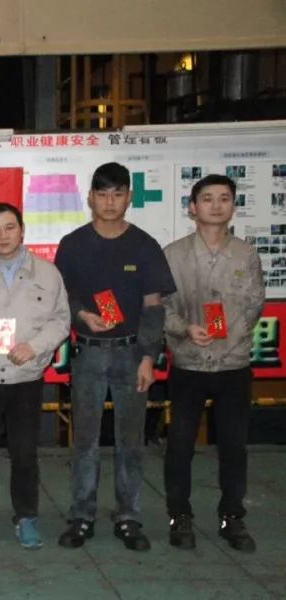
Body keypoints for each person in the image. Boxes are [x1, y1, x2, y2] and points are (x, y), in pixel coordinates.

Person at [54, 162, 176, 551]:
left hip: (131, 353)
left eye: (118, 194)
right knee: (85, 441)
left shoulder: (143, 245)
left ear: (129, 198)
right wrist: (81, 315)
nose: (110, 201)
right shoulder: (73, 244)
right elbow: (62, 296)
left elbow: (154, 307)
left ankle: (128, 518)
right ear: (90, 198)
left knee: (131, 441)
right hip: (89, 353)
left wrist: (148, 357)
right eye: (103, 194)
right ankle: (81, 516)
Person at [0, 203, 70, 549]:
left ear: (22, 230)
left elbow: (61, 321)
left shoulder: (47, 274)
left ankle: (26, 517)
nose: (3, 236)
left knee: (25, 453)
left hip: (26, 378)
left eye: (9, 228)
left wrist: (35, 346)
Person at [162, 174, 264, 552]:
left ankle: (231, 516)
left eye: (224, 198)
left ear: (233, 206)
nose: (216, 205)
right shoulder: (173, 254)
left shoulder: (246, 254)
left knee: (234, 447)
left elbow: (254, 304)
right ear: (193, 207)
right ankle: (179, 514)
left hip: (232, 365)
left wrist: (228, 343)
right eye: (207, 199)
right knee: (180, 445)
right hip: (188, 363)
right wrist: (185, 329)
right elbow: (161, 307)